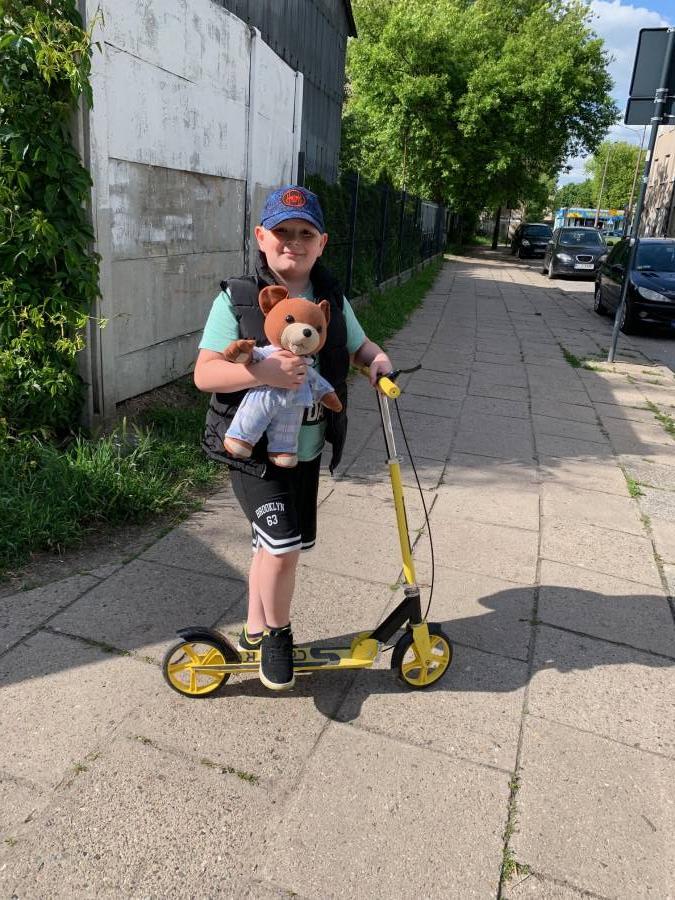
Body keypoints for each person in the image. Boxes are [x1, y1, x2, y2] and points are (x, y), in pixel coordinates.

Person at [194, 185, 392, 691]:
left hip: (303, 450)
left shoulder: (331, 298)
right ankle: (277, 637)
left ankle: (254, 629)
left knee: (276, 548)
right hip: (251, 451)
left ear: (321, 243)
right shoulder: (238, 298)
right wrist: (261, 373)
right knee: (281, 548)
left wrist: (376, 360)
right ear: (261, 237)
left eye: (306, 233)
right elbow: (205, 374)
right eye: (283, 231)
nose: (294, 242)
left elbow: (357, 345)